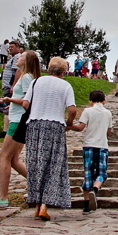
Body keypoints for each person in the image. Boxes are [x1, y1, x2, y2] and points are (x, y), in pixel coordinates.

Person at [0, 50, 41, 207]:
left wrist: (9, 98)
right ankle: (38, 188)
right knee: (14, 159)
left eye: (21, 56)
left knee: (5, 156)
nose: (17, 58)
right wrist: (7, 103)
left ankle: (2, 197)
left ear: (26, 61)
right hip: (19, 118)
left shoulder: (27, 77)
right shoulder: (26, 76)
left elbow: (26, 101)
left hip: (18, 121)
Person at [23, 56, 77, 221]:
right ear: (62, 72)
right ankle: (45, 205)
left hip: (34, 124)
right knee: (53, 164)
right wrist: (69, 122)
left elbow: (25, 103)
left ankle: (37, 203)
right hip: (55, 125)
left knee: (36, 163)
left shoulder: (36, 82)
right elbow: (72, 109)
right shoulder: (65, 85)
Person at [67, 90, 112, 214]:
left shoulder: (87, 111)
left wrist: (69, 126)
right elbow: (109, 131)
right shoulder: (108, 113)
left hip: (88, 146)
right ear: (104, 101)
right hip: (102, 146)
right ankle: (95, 190)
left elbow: (80, 127)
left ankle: (86, 206)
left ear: (90, 101)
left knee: (88, 174)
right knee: (101, 174)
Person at [0, 40, 22, 138]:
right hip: (7, 86)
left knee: (8, 107)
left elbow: (17, 71)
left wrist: (13, 86)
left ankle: (6, 131)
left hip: (9, 87)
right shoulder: (13, 58)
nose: (10, 48)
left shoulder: (17, 57)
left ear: (17, 47)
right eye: (9, 47)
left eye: (12, 46)